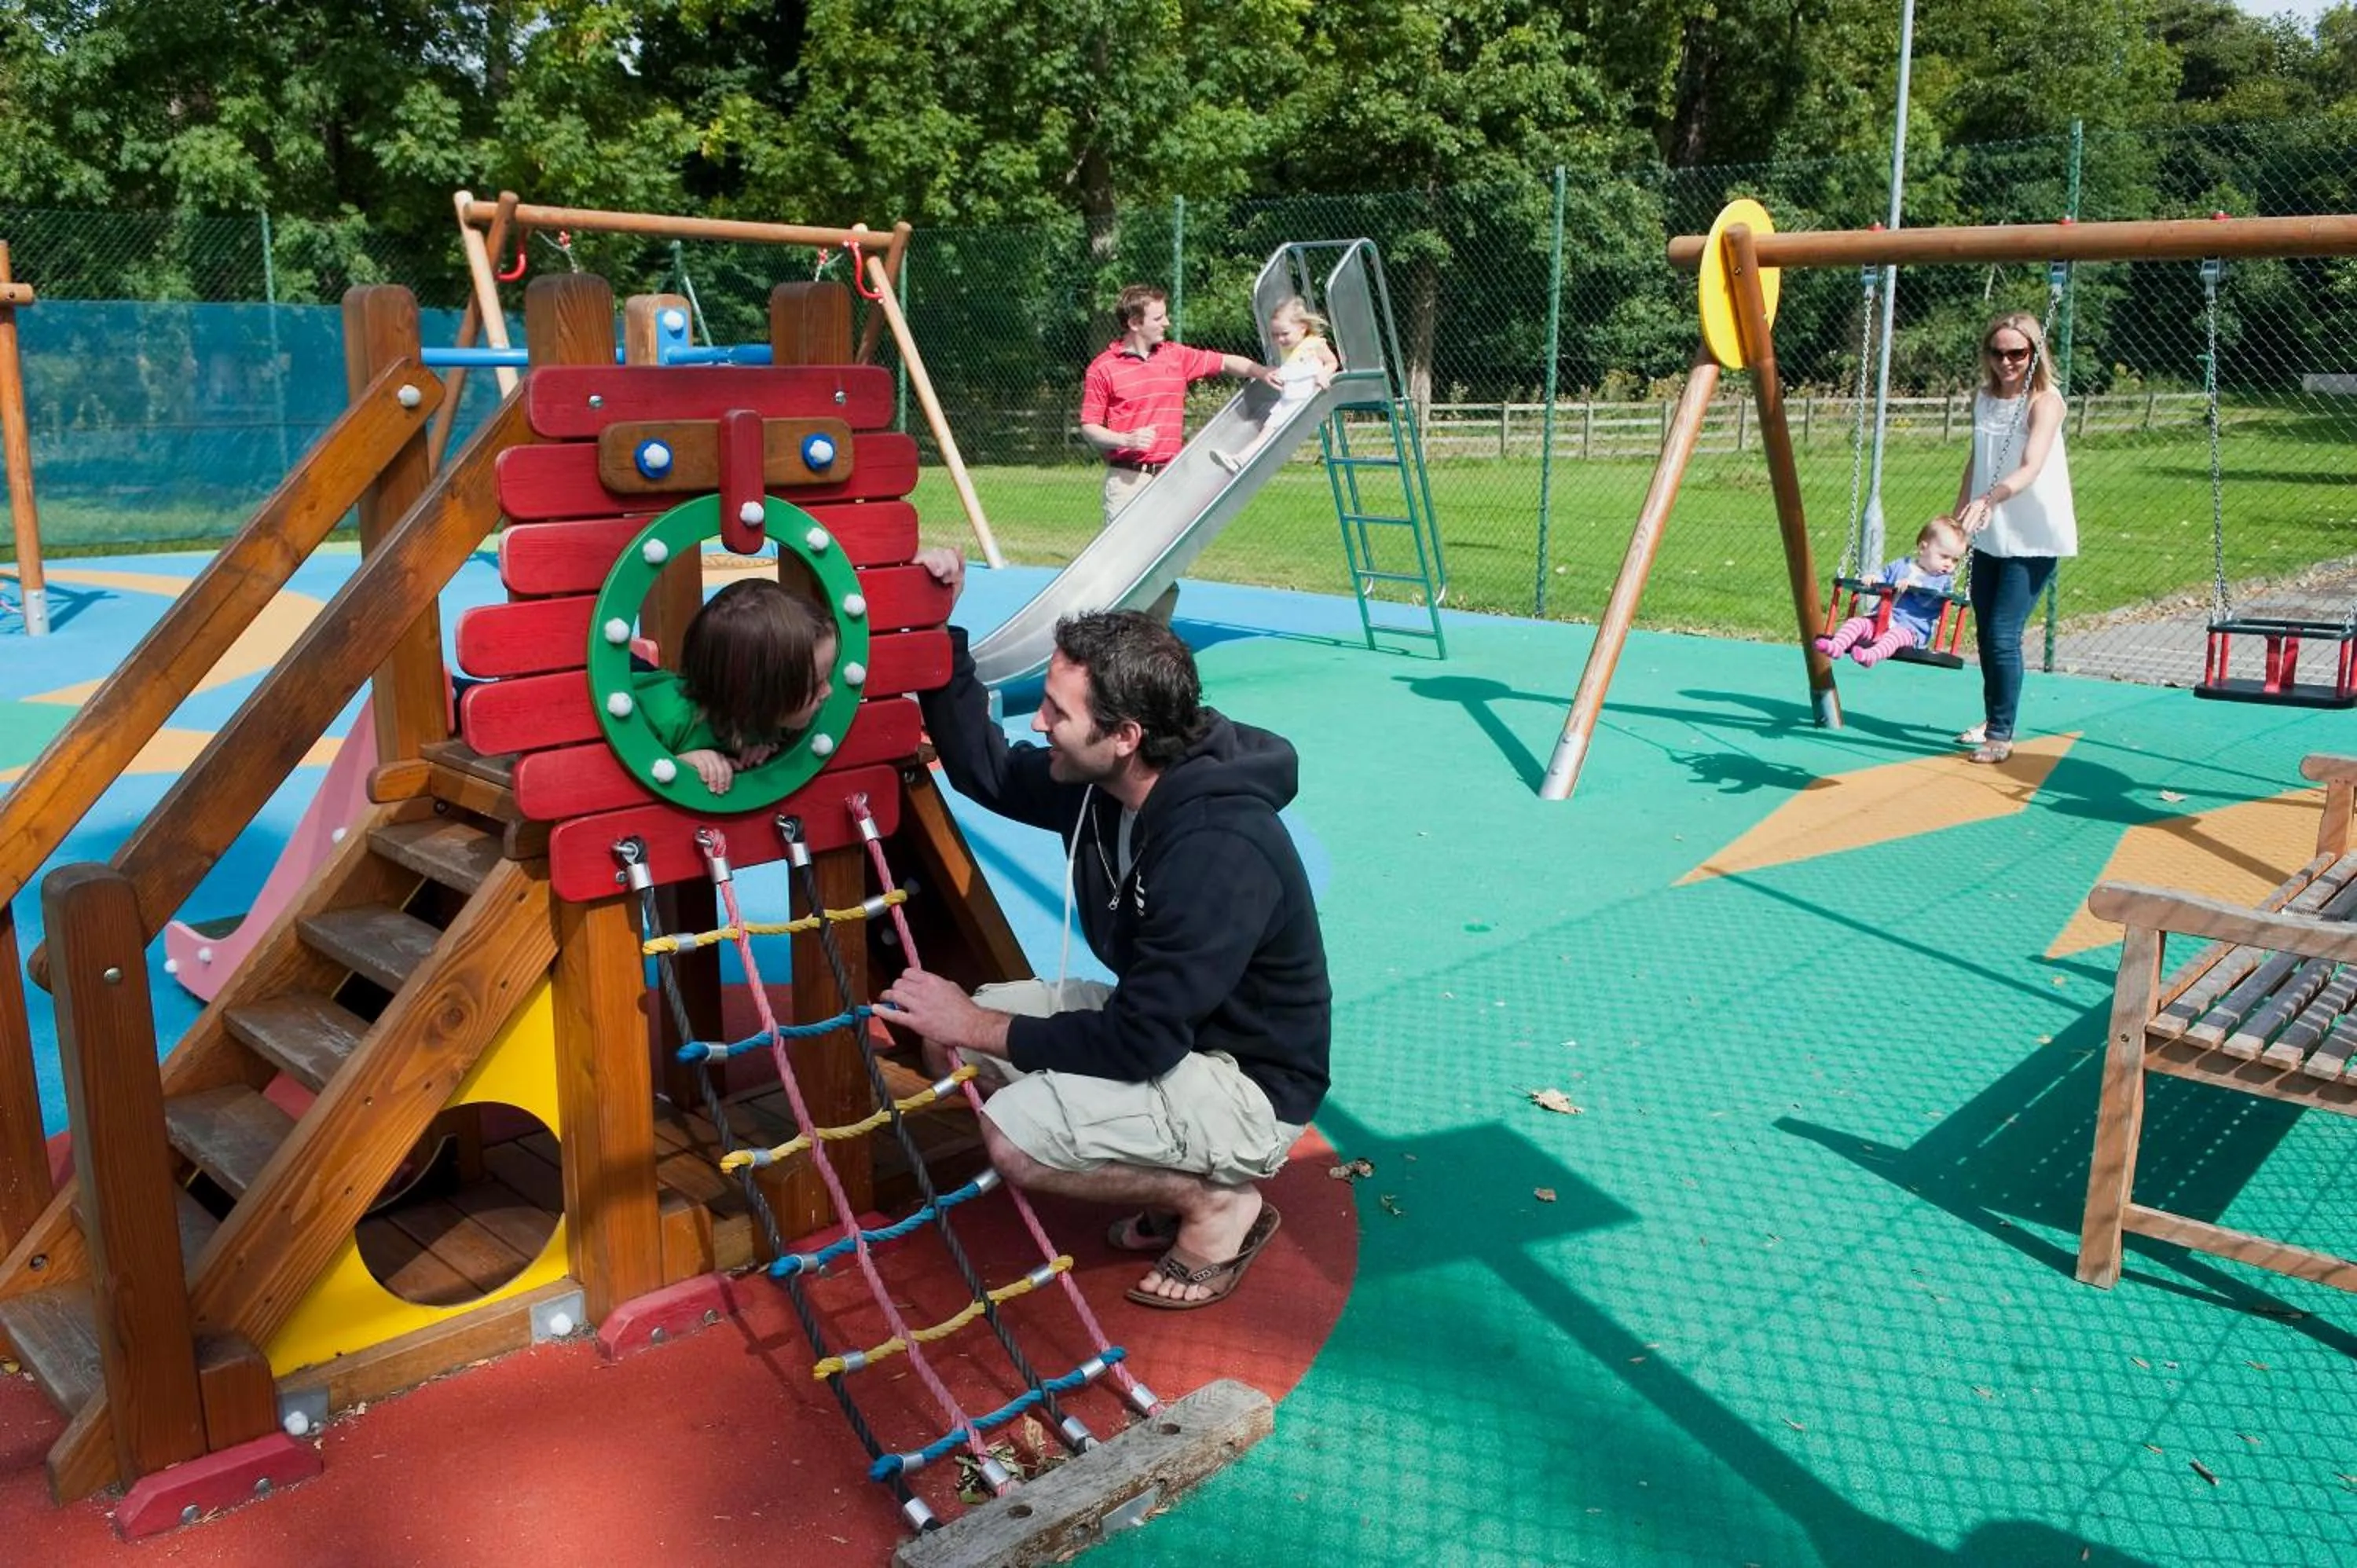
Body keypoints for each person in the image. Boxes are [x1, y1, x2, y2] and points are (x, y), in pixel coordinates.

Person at [877, 547, 1330, 1311]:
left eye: (1057, 710)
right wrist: (937, 628)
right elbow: (984, 768)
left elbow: (1140, 1041)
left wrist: (979, 1021)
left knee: (1014, 1135)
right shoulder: (1101, 783)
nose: (1040, 722)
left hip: (1248, 1083)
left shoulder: (1219, 848)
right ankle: (1176, 1162)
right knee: (955, 1037)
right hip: (1176, 1035)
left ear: (1124, 733)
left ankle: (1220, 1203)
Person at [1952, 310, 2077, 764]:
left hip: (2031, 532)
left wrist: (1991, 499)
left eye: (2018, 353)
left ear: (2034, 354)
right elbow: (1977, 459)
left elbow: (2030, 466)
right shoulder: (1984, 398)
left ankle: (2001, 734)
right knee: (1986, 634)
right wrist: (1957, 519)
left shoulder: (2045, 402)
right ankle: (1992, 719)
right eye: (1998, 352)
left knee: (2004, 633)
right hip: (1989, 530)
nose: (2007, 362)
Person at [631, 577, 836, 795]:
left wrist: (767, 742)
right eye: (814, 685)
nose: (828, 692)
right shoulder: (666, 719)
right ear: (759, 697)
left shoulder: (774, 711)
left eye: (827, 678)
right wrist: (677, 763)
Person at [1816, 516, 1967, 668]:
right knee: (1855, 623)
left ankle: (1871, 656)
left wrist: (1916, 588)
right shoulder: (1901, 565)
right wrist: (1874, 579)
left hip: (1910, 631)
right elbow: (1884, 578)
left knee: (1893, 637)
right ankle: (1837, 646)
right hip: (1879, 621)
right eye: (1944, 557)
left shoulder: (1942, 581)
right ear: (1923, 548)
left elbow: (1932, 602)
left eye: (1955, 560)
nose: (1949, 564)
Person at [1212, 297, 1340, 474]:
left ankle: (1243, 459)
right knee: (1267, 432)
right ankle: (1241, 459)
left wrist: (1324, 375)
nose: (1280, 339)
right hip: (1288, 400)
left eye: (1285, 333)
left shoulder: (1314, 344)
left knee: (1270, 432)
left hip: (1306, 400)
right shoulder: (1287, 349)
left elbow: (1332, 362)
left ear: (1303, 327)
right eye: (1275, 335)